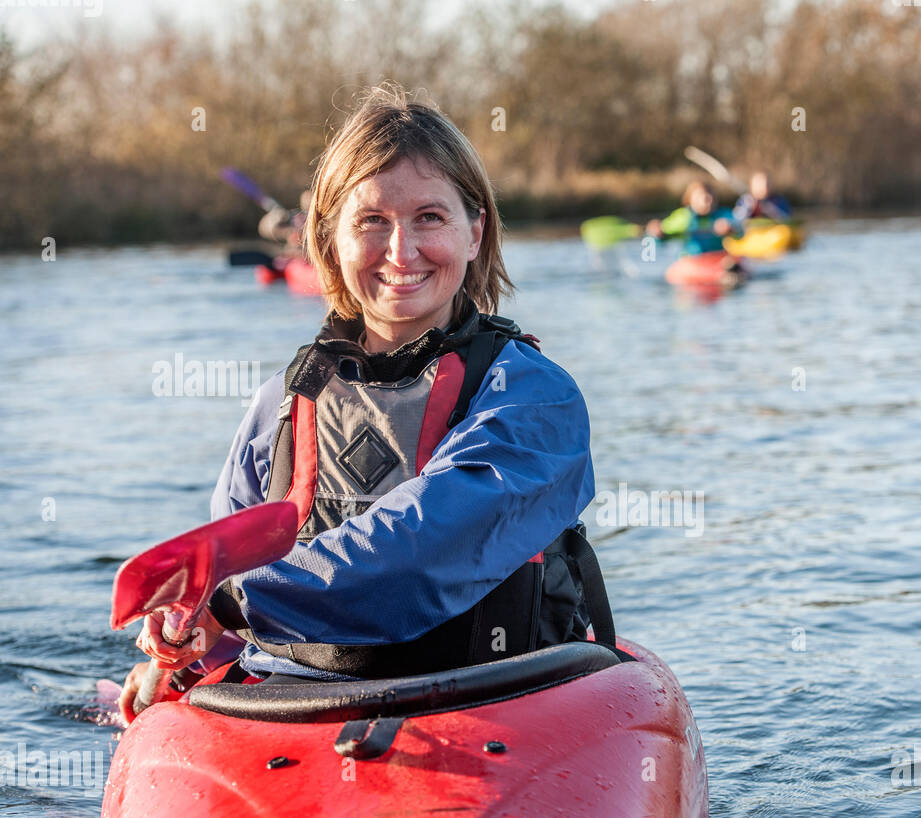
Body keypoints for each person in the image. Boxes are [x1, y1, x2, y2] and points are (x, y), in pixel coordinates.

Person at [120, 86, 608, 718]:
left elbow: (421, 554)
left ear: (474, 233)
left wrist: (228, 603)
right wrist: (184, 643)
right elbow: (223, 568)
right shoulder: (281, 404)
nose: (400, 251)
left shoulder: (535, 400)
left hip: (492, 696)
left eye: (430, 217)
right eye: (371, 221)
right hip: (289, 707)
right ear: (332, 240)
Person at [646, 180, 741, 255]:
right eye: (703, 196)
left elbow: (741, 230)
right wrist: (656, 232)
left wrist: (731, 229)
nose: (709, 200)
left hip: (717, 260)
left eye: (711, 196)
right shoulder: (684, 217)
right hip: (693, 261)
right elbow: (657, 236)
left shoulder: (723, 215)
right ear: (690, 199)